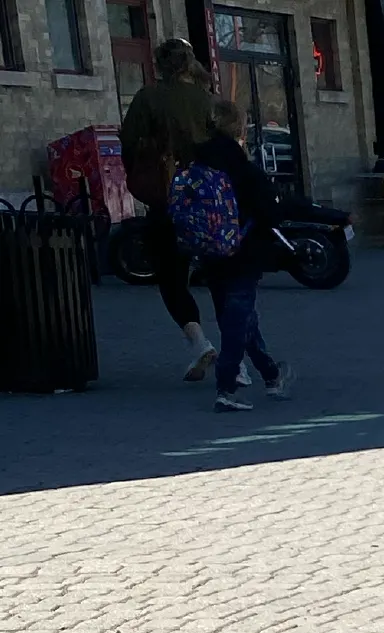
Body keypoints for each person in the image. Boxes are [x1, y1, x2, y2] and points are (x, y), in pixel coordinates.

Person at [178, 101, 293, 412]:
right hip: (244, 252)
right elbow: (271, 212)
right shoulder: (243, 168)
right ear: (239, 129)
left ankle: (271, 374)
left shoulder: (195, 164)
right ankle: (226, 387)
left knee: (241, 318)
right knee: (237, 321)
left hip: (209, 253)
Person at [121, 39, 216, 379]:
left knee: (172, 279)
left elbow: (129, 142)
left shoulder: (149, 98)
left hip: (166, 200)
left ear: (160, 65)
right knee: (223, 279)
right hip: (208, 202)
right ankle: (242, 356)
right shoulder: (207, 100)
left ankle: (200, 341)